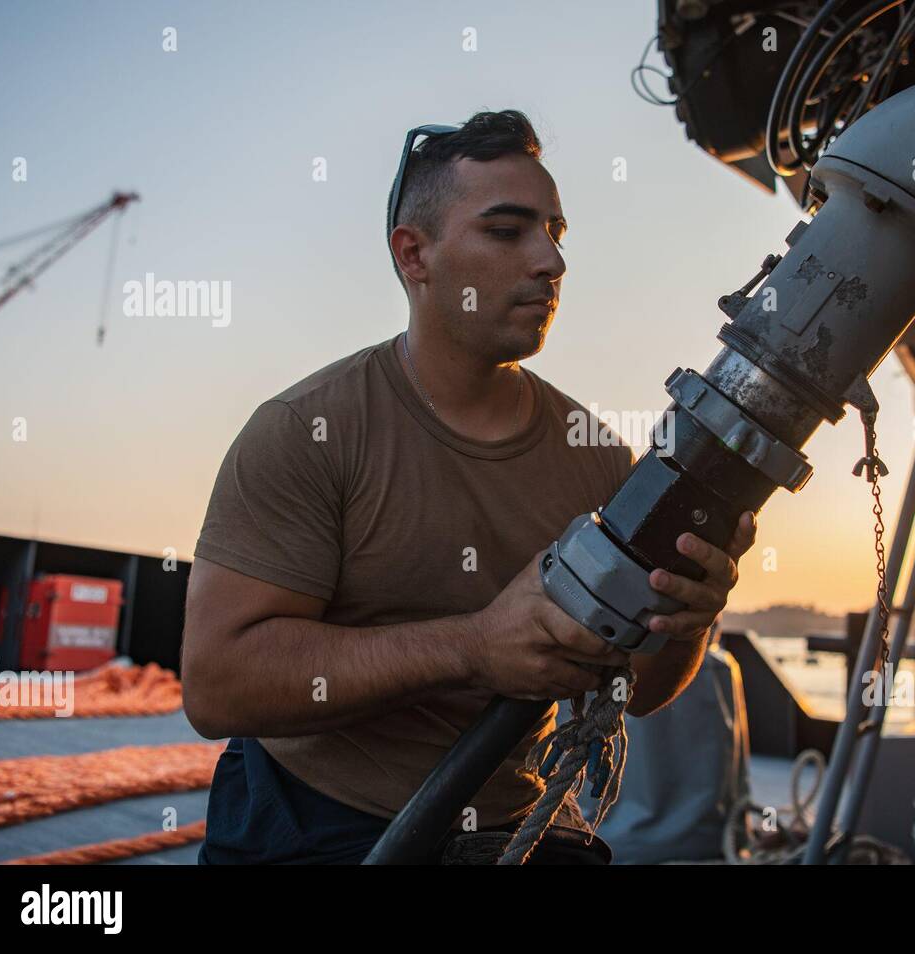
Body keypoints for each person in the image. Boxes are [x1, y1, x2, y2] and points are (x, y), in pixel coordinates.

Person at [181, 109, 757, 864]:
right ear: (414, 254)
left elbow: (639, 692)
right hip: (316, 821)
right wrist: (472, 649)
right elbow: (218, 686)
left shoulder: (599, 463)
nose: (551, 260)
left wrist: (689, 619)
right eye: (508, 230)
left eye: (556, 232)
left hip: (515, 825)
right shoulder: (306, 431)